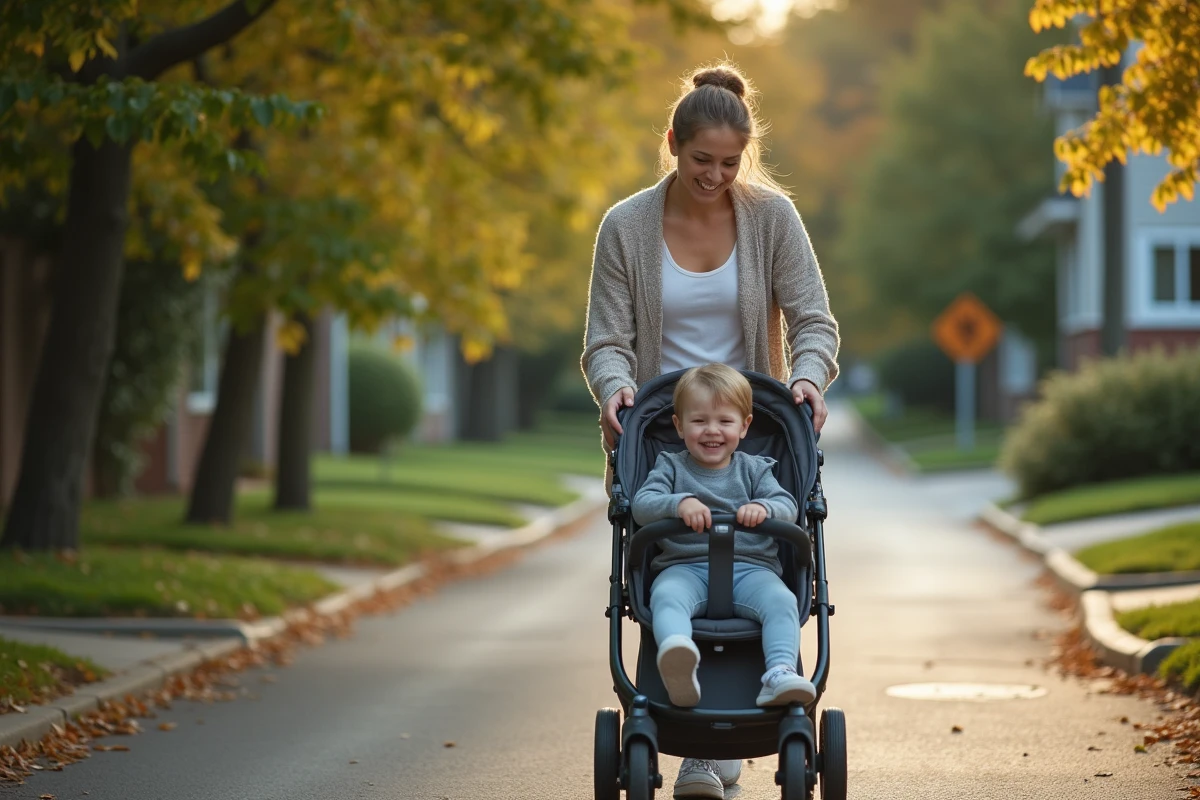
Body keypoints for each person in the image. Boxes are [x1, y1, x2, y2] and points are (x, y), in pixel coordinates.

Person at [581, 62, 840, 799]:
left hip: (753, 434)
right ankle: (693, 736)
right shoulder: (625, 226)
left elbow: (814, 320)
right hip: (659, 437)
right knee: (668, 576)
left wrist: (808, 378)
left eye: (730, 163)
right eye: (701, 161)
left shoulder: (771, 218)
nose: (715, 176)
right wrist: (615, 388)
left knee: (764, 577)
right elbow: (605, 339)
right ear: (673, 143)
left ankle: (713, 751)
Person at [632, 364, 815, 712]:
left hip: (752, 570)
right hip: (685, 567)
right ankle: (677, 656)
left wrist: (764, 507)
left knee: (782, 602)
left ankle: (778, 672)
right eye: (699, 421)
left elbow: (787, 505)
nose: (711, 431)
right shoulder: (670, 467)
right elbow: (642, 505)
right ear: (679, 425)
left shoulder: (755, 469)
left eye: (724, 422)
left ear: (744, 426)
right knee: (667, 597)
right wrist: (677, 503)